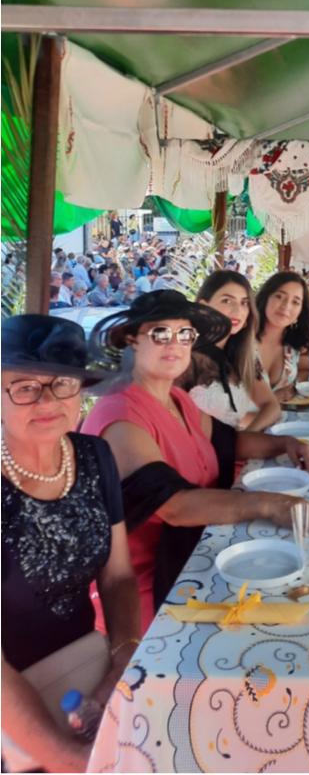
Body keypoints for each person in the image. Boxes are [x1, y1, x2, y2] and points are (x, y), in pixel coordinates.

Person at [81, 291, 309, 632]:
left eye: (185, 334)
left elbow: (228, 441)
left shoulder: (175, 397)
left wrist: (284, 443)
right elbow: (175, 506)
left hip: (203, 547)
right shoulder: (121, 416)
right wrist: (268, 504)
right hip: (159, 585)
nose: (176, 343)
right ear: (131, 339)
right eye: (160, 333)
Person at [1, 315, 141, 773]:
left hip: (89, 673)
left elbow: (118, 576)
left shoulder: (93, 456)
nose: (47, 400)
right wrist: (70, 760)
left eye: (62, 383)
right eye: (24, 387)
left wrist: (122, 659)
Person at [183, 272, 285, 436]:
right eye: (227, 301)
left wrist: (245, 439)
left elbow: (271, 406)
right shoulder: (185, 357)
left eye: (244, 303)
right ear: (203, 307)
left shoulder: (243, 355)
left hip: (235, 445)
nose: (238, 310)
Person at [254, 271, 309, 399]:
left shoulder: (293, 345)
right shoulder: (241, 341)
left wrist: (294, 387)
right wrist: (274, 399)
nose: (286, 306)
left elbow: (305, 369)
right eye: (279, 296)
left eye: (295, 302)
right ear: (265, 298)